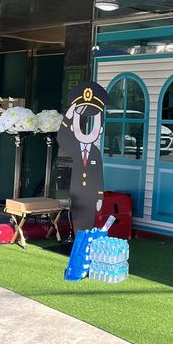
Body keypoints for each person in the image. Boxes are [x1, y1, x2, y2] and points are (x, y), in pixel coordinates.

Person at [57, 82, 109, 234]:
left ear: (100, 129)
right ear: (73, 127)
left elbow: (98, 175)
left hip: (91, 196)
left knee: (89, 222)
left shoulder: (95, 153)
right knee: (77, 221)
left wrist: (100, 197)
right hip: (77, 195)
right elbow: (62, 137)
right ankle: (78, 241)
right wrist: (68, 117)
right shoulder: (74, 148)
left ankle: (85, 241)